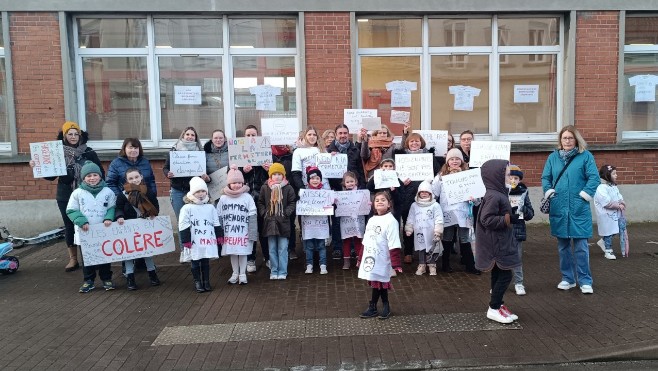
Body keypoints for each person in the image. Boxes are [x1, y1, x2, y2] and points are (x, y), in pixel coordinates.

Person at [31, 121, 104, 273]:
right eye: (69, 134)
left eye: (75, 134)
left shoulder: (88, 152)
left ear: (80, 135)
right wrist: (37, 165)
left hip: (87, 194)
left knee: (89, 222)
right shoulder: (56, 153)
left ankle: (92, 256)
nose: (73, 137)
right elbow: (51, 177)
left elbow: (100, 172)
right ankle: (73, 259)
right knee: (69, 225)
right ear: (64, 136)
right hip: (65, 194)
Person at [541, 125, 600, 295]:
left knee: (581, 246)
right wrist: (549, 190)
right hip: (559, 206)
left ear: (576, 140)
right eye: (564, 138)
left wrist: (584, 195)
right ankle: (568, 278)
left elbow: (594, 178)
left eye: (570, 138)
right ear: (560, 140)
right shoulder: (553, 157)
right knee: (563, 246)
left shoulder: (585, 156)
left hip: (578, 206)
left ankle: (585, 280)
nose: (567, 141)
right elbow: (546, 177)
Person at [475, 159, 520, 324]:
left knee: (499, 273)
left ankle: (499, 304)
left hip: (500, 241)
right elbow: (486, 219)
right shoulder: (494, 195)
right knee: (505, 275)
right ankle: (493, 308)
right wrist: (508, 218)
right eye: (507, 173)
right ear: (496, 176)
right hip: (496, 244)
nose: (510, 176)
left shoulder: (498, 193)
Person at [106, 138, 157, 273]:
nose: (133, 150)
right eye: (130, 147)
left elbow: (151, 180)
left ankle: (142, 264)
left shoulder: (145, 162)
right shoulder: (116, 163)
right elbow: (110, 182)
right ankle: (127, 267)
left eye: (136, 148)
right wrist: (122, 196)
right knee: (128, 236)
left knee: (142, 234)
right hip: (126, 205)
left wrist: (152, 195)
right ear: (124, 149)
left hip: (144, 204)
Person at [66, 161, 116, 293]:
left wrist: (108, 218)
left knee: (105, 255)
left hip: (103, 231)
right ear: (83, 178)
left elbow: (112, 207)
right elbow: (71, 210)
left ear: (100, 176)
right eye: (88, 176)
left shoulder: (108, 191)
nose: (92, 178)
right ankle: (89, 280)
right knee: (88, 258)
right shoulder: (77, 193)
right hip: (85, 232)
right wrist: (81, 221)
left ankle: (106, 279)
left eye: (95, 175)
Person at [395, 130, 442, 264]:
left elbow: (438, 172)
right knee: (408, 224)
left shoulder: (428, 156)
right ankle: (408, 252)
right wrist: (401, 182)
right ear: (407, 143)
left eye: (417, 141)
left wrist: (430, 180)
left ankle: (427, 251)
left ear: (421, 143)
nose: (414, 143)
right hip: (407, 195)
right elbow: (395, 174)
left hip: (424, 196)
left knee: (426, 223)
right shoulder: (401, 157)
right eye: (412, 141)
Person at [432, 148, 479, 274]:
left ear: (461, 161)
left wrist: (474, 198)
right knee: (447, 238)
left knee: (465, 238)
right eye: (451, 159)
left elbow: (477, 199)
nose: (454, 161)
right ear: (447, 161)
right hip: (447, 211)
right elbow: (434, 194)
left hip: (464, 212)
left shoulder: (468, 175)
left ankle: (470, 266)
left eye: (457, 159)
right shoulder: (441, 176)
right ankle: (445, 265)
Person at [358, 191, 402, 320]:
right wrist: (361, 258)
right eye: (377, 200)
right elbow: (366, 240)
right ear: (373, 205)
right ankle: (376, 307)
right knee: (376, 282)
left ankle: (382, 307)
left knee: (382, 281)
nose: (380, 202)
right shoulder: (372, 219)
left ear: (389, 204)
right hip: (371, 258)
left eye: (383, 200)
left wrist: (395, 264)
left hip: (383, 258)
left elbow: (394, 243)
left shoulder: (391, 221)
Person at [115, 168, 161, 290]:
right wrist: (119, 217)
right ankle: (130, 278)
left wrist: (153, 214)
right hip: (129, 228)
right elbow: (118, 208)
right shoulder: (123, 194)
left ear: (141, 177)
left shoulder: (148, 192)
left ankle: (153, 275)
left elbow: (155, 206)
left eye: (136, 177)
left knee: (147, 252)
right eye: (131, 178)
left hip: (144, 227)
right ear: (127, 180)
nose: (134, 180)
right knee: (129, 254)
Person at [328, 124, 367, 260]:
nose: (343, 135)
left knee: (353, 220)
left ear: (348, 134)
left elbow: (360, 170)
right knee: (337, 221)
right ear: (336, 134)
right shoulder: (328, 151)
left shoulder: (355, 149)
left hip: (353, 192)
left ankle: (352, 248)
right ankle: (338, 247)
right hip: (337, 191)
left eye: (345, 133)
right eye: (340, 133)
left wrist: (361, 186)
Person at [179, 177, 221, 293]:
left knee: (205, 261)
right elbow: (183, 225)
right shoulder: (186, 208)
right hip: (194, 240)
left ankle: (206, 281)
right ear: (192, 193)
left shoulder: (210, 207)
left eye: (203, 191)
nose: (201, 194)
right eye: (198, 192)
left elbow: (216, 222)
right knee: (195, 260)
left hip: (207, 239)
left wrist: (219, 236)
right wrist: (185, 240)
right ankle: (197, 281)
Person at [217, 165, 258, 284]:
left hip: (243, 232)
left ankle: (242, 274)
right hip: (229, 232)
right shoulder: (223, 198)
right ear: (229, 184)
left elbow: (252, 215)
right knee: (233, 252)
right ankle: (235, 273)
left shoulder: (247, 197)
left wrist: (252, 232)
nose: (237, 185)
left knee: (243, 252)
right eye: (234, 183)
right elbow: (219, 215)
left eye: (239, 182)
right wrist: (220, 233)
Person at [240, 125, 272, 271]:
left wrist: (268, 170)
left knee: (264, 230)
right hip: (246, 198)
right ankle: (250, 259)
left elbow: (273, 178)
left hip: (262, 198)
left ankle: (268, 257)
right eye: (248, 135)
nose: (250, 137)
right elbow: (232, 176)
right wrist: (243, 171)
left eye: (253, 134)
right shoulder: (239, 153)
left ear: (257, 136)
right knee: (250, 230)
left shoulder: (265, 151)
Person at [258, 163, 296, 280]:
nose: (277, 176)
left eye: (279, 174)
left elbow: (292, 202)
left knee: (283, 248)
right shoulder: (265, 188)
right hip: (269, 223)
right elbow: (260, 202)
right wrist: (264, 213)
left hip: (283, 223)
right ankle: (274, 270)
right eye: (274, 174)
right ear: (270, 175)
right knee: (272, 248)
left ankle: (283, 271)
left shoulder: (288, 188)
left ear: (283, 175)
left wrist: (286, 213)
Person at [163, 127, 206, 221]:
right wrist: (168, 174)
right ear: (183, 136)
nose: (190, 137)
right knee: (181, 220)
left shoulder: (200, 152)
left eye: (192, 135)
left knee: (195, 220)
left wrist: (204, 176)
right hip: (177, 190)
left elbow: (204, 170)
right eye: (187, 134)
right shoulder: (174, 151)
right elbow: (165, 168)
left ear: (195, 138)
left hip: (195, 192)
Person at [404, 179, 444, 276]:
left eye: (427, 192)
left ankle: (432, 265)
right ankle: (422, 265)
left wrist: (438, 231)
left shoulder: (435, 205)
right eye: (422, 192)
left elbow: (439, 218)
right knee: (421, 248)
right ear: (418, 193)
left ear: (430, 193)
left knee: (432, 248)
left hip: (432, 232)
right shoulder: (414, 205)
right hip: (419, 232)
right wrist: (409, 228)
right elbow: (411, 217)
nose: (424, 194)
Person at [507, 165, 534, 295]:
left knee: (516, 257)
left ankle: (519, 283)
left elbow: (530, 214)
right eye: (510, 177)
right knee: (501, 257)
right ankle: (501, 283)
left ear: (519, 180)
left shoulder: (523, 192)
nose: (513, 180)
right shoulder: (501, 192)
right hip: (503, 230)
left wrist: (523, 209)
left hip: (517, 229)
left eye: (516, 178)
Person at [300, 167, 331, 276]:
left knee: (321, 246)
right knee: (309, 246)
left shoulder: (325, 193)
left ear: (320, 180)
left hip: (321, 224)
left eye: (317, 178)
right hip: (309, 224)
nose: (315, 180)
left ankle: (323, 265)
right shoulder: (304, 193)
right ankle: (309, 265)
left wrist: (332, 204)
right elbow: (300, 208)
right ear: (308, 180)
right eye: (312, 178)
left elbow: (329, 208)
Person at [271, 144, 297, 268]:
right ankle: (272, 256)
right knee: (271, 227)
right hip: (272, 204)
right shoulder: (268, 155)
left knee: (289, 224)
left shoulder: (292, 155)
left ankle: (290, 248)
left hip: (288, 193)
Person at [594, 164, 627, 259]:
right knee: (608, 231)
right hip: (606, 215)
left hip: (614, 214)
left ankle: (603, 242)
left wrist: (622, 202)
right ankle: (608, 251)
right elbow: (606, 202)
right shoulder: (601, 188)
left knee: (616, 229)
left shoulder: (613, 186)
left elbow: (618, 195)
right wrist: (618, 205)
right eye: (614, 174)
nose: (616, 175)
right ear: (607, 175)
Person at [339, 171, 366, 271]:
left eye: (352, 181)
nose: (350, 183)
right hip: (346, 221)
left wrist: (367, 203)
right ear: (344, 183)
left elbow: (365, 204)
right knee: (346, 240)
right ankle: (347, 261)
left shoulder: (361, 193)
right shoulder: (341, 194)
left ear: (356, 182)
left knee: (358, 239)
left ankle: (360, 260)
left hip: (358, 220)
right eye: (348, 182)